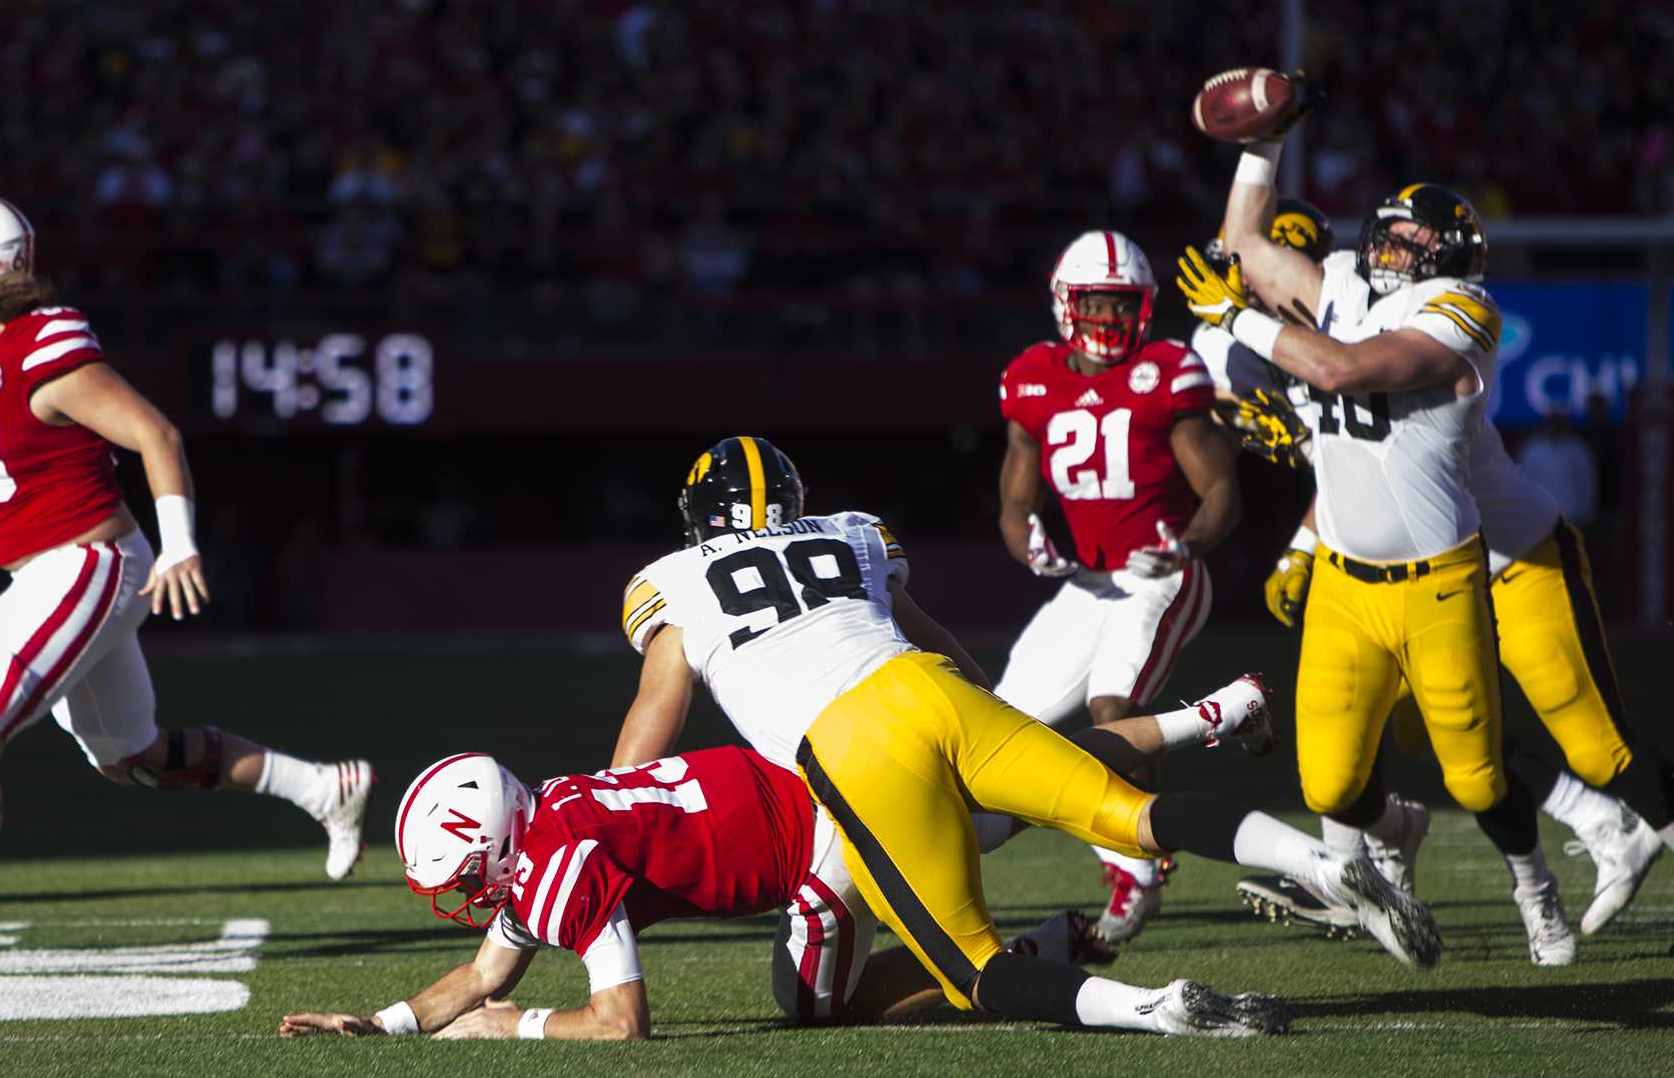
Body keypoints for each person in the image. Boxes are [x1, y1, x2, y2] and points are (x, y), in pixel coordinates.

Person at [604, 437, 1437, 1032]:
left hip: (856, 752)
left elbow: (656, 710)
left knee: (968, 972)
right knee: (1126, 815)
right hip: (935, 691)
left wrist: (608, 819)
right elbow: (931, 637)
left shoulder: (674, 580)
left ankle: (1156, 1010)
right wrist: (990, 729)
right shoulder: (847, 531)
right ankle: (1320, 859)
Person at [0, 193, 376, 976]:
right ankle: (325, 788)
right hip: (46, 568)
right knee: (131, 756)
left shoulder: (44, 347)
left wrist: (181, 546)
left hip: (86, 562)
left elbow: (153, 433)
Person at [1177, 125, 1572, 964]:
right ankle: (1400, 835)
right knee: (1327, 785)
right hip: (1344, 585)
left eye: (1415, 240)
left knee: (1477, 778)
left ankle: (1535, 885)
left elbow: (1344, 371)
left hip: (1437, 584)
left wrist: (1239, 319)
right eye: (1388, 232)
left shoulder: (1464, 312)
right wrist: (1261, 144)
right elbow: (1243, 243)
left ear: (1455, 256)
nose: (1392, 248)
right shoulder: (1344, 284)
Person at [280, 745, 1287, 1042]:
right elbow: (482, 968)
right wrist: (382, 1023)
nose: (462, 894)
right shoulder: (551, 822)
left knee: (816, 1004)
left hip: (823, 843)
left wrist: (512, 1028)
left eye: (460, 873)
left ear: (493, 842)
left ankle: (1045, 945)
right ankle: (1179, 741)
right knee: (1015, 788)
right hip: (831, 781)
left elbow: (621, 1021)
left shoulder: (559, 856)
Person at [1208, 338, 1668, 940]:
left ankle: (1576, 845)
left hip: (1508, 565)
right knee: (1405, 735)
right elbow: (1349, 471)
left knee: (1592, 746)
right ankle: (1383, 855)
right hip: (1418, 589)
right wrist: (1300, 544)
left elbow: (1377, 448)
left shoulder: (1394, 342)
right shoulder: (1332, 349)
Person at [993, 230, 1243, 941]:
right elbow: (1015, 502)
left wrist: (1189, 542)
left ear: (1144, 307)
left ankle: (1137, 862)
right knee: (1001, 728)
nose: (1106, 317)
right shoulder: (1031, 378)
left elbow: (1221, 488)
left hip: (1159, 571)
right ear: (1065, 304)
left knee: (1112, 703)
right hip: (1086, 582)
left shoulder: (1166, 370)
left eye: (1120, 303)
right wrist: (1028, 541)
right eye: (1095, 302)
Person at [1516, 409, 1598, 525]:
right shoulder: (1533, 450)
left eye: (1558, 422)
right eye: (1552, 422)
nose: (1555, 426)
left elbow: (1586, 485)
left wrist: (1587, 514)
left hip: (1572, 516)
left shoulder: (1578, 449)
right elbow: (1523, 484)